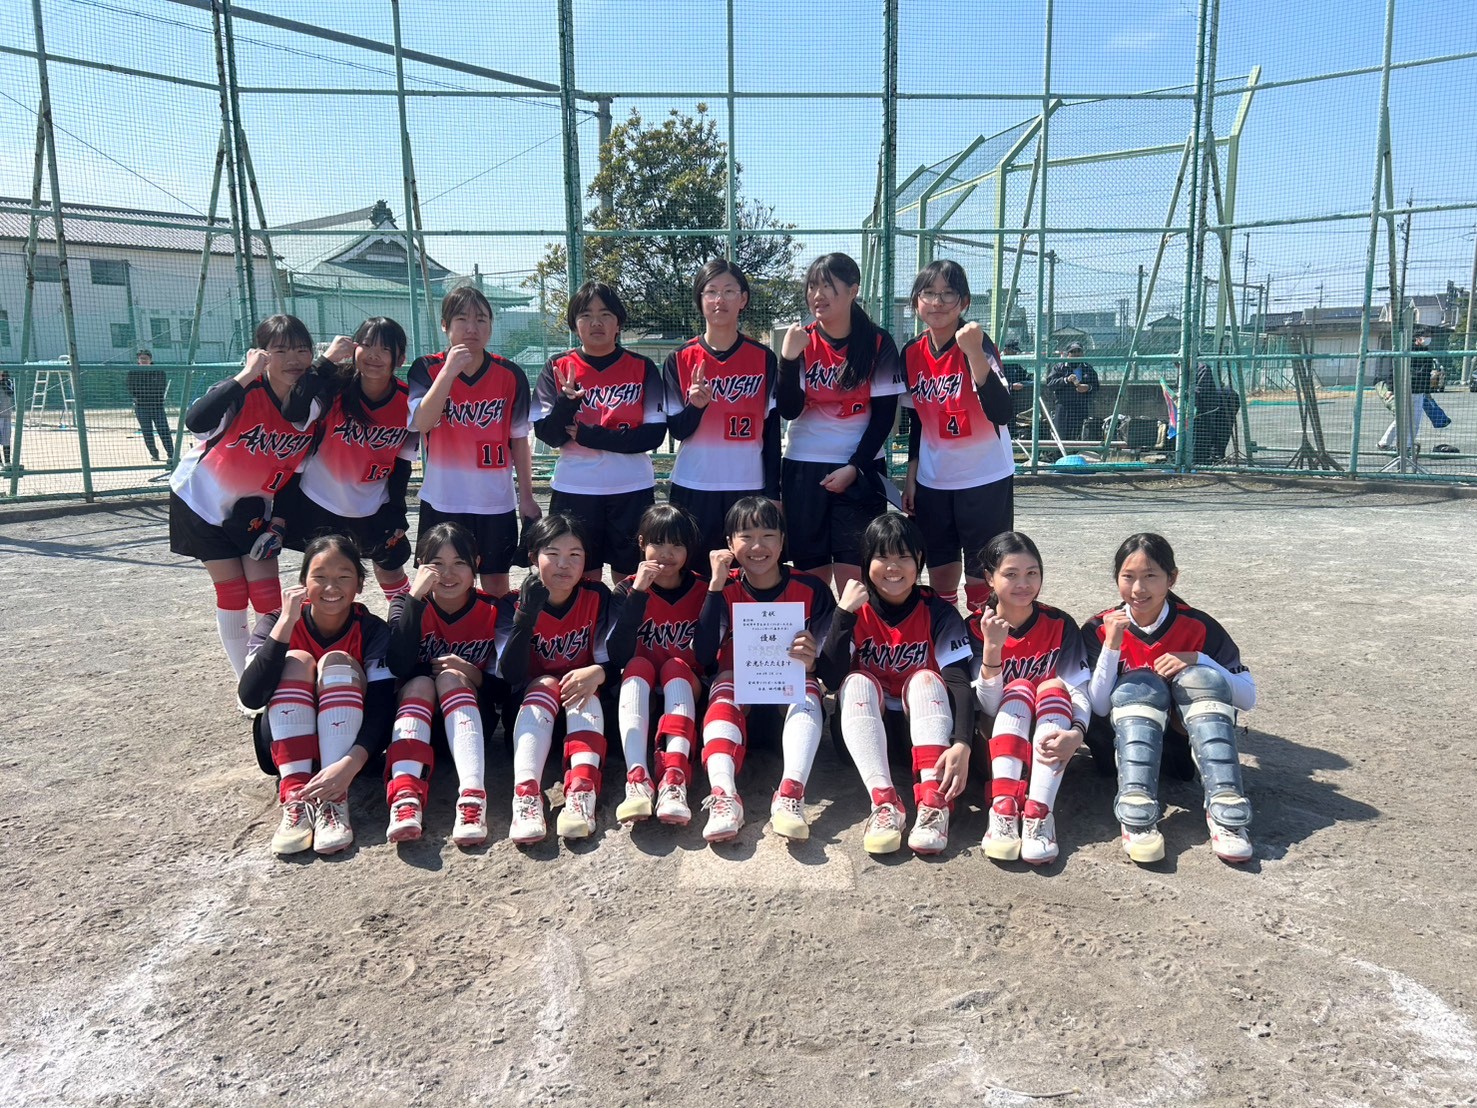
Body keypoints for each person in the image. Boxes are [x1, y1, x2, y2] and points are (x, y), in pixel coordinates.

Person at [1081, 533, 1257, 865]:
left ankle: (1226, 809)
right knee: (1140, 684)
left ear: (1171, 578)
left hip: (1177, 745)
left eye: (1150, 576)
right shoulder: (1100, 628)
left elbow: (1247, 697)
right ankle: (1136, 810)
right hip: (1118, 746)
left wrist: (1198, 659)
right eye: (1128, 577)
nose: (1138, 588)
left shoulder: (1197, 625)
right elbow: (1099, 706)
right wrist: (1112, 646)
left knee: (1201, 679)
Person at [168, 314, 326, 678]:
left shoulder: (312, 408)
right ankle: (247, 683)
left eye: (302, 350)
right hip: (200, 503)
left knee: (269, 595)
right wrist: (246, 374)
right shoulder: (243, 392)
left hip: (254, 510)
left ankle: (270, 672)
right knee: (233, 593)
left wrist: (278, 524)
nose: (293, 359)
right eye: (280, 350)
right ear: (261, 354)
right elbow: (196, 421)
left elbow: (293, 476)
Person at [817, 513, 973, 855]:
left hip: (924, 733)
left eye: (904, 556)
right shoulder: (854, 610)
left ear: (919, 561)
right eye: (882, 556)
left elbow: (959, 682)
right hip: (863, 737)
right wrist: (843, 614)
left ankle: (934, 802)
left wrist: (963, 742)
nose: (893, 567)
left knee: (925, 679)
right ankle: (884, 803)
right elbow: (830, 678)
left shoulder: (938, 611)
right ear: (865, 562)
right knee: (856, 680)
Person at [238, 534, 395, 857]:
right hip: (285, 747)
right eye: (319, 577)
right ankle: (295, 796)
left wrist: (351, 764)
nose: (331, 587)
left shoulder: (373, 630)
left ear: (360, 585)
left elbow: (382, 706)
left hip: (349, 751)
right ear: (302, 583)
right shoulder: (275, 622)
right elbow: (251, 697)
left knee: (336, 662)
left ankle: (333, 801)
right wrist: (285, 623)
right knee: (298, 660)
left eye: (343, 577)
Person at [693, 496, 835, 843]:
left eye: (768, 535)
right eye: (746, 536)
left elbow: (832, 673)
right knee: (725, 679)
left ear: (783, 541)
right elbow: (704, 655)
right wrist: (714, 587)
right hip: (735, 713)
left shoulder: (812, 589)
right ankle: (724, 795)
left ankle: (790, 793)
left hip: (788, 716)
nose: (758, 547)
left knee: (807, 684)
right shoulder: (722, 587)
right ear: (729, 543)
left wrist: (814, 661)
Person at [776, 252, 904, 589]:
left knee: (856, 578)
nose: (817, 295)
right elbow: (788, 410)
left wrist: (855, 467)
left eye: (828, 286)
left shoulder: (878, 342)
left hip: (861, 467)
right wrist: (787, 359)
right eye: (812, 286)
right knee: (811, 579)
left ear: (853, 290)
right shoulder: (801, 340)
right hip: (805, 467)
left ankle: (853, 628)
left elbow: (884, 418)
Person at [899, 260, 1015, 611]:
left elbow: (1002, 411)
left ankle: (981, 636)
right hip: (934, 479)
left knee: (983, 573)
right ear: (916, 301)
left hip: (984, 476)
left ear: (964, 302)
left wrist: (975, 353)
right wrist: (912, 475)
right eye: (928, 293)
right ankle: (949, 634)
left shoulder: (976, 342)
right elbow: (917, 420)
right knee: (941, 570)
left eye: (948, 294)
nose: (937, 302)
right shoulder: (911, 352)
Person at [408, 285, 539, 597]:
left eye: (481, 319)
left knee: (496, 585)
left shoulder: (510, 374)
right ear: (445, 325)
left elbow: (519, 440)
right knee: (440, 583)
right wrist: (449, 372)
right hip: (443, 499)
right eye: (462, 319)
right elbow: (421, 422)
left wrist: (527, 496)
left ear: (491, 326)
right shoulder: (426, 368)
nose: (472, 328)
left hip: (495, 500)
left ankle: (493, 632)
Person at [532, 281, 666, 582]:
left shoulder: (642, 367)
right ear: (574, 323)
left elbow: (653, 435)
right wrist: (566, 404)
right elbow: (548, 435)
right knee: (580, 574)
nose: (596, 323)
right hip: (576, 488)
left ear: (618, 322)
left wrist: (593, 437)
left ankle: (624, 616)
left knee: (630, 575)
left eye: (605, 314)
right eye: (586, 315)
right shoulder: (557, 366)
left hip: (631, 487)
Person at [971, 532, 1091, 865]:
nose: (1024, 584)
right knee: (1020, 689)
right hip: (996, 742)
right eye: (1011, 574)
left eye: (1032, 573)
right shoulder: (976, 627)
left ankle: (1040, 813)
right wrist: (992, 649)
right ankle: (1003, 808)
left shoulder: (1059, 623)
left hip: (1050, 738)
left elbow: (1078, 690)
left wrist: (1077, 733)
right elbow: (987, 706)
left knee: (1052, 687)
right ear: (989, 578)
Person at [497, 514, 618, 843]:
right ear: (533, 557)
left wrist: (599, 671)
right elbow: (510, 674)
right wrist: (525, 617)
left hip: (586, 713)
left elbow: (612, 661)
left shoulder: (597, 595)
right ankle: (526, 794)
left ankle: (582, 790)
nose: (564, 564)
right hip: (531, 719)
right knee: (547, 682)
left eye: (575, 555)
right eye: (553, 553)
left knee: (583, 682)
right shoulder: (511, 603)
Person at [384, 523, 505, 848]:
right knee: (421, 682)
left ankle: (472, 795)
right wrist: (415, 598)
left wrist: (471, 672)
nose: (448, 574)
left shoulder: (494, 609)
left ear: (476, 563)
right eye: (436, 564)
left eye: (459, 563)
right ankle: (405, 796)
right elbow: (398, 665)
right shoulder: (406, 604)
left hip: (471, 728)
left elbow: (504, 691)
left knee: (451, 676)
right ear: (420, 565)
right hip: (416, 726)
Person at [282, 318, 418, 604]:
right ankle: (312, 628)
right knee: (323, 576)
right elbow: (293, 411)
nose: (374, 355)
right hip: (320, 500)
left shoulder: (407, 402)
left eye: (385, 349)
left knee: (391, 570)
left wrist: (397, 511)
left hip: (372, 503)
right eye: (366, 345)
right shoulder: (334, 387)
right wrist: (326, 360)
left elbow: (402, 464)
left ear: (400, 359)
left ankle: (406, 625)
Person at [663, 260, 781, 557]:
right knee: (693, 569)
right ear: (700, 300)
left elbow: (771, 431)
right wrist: (696, 407)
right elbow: (677, 430)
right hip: (694, 483)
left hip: (748, 485)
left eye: (729, 291)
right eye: (712, 291)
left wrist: (772, 493)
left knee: (748, 569)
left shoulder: (763, 357)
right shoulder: (679, 359)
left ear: (743, 299)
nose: (720, 299)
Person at [605, 503, 708, 825]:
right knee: (637, 664)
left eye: (677, 544)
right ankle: (637, 778)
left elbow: (709, 656)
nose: (667, 554)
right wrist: (638, 593)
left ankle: (674, 777)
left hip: (688, 688)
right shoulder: (626, 589)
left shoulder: (702, 588)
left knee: (675, 665)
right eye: (658, 543)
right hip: (641, 692)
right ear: (641, 543)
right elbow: (617, 655)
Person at [1377, 335, 1435, 453]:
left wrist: (1427, 390)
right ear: (1417, 338)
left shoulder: (1427, 354)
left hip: (1418, 392)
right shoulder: (1407, 351)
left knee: (1414, 421)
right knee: (1402, 419)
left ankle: (1406, 445)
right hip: (1404, 390)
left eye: (1429, 336)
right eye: (1425, 336)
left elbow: (1426, 375)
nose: (1427, 339)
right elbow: (1394, 370)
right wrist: (1391, 389)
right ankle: (1386, 443)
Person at [126, 349, 174, 463]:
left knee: (163, 430)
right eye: (141, 358)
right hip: (141, 406)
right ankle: (154, 454)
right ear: (138, 360)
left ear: (150, 360)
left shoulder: (158, 371)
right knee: (147, 431)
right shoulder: (133, 372)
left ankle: (172, 454)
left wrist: (150, 393)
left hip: (157, 406)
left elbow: (160, 387)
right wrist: (140, 395)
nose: (143, 361)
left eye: (146, 358)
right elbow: (131, 387)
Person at [1045, 341, 1099, 440]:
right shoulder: (1059, 367)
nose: (1076, 354)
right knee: (1061, 434)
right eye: (1073, 352)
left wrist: (1087, 387)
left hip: (1081, 406)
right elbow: (1050, 384)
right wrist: (1066, 380)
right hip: (1063, 406)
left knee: (1080, 434)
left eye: (1078, 351)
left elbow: (1096, 386)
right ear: (1068, 354)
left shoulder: (1088, 368)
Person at [999, 340, 1031, 425]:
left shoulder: (1013, 362)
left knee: (1012, 421)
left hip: (1012, 398)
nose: (1015, 353)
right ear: (1006, 350)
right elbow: (995, 382)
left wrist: (1030, 378)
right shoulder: (998, 362)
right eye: (1013, 351)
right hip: (1000, 397)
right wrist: (1011, 386)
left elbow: (1022, 375)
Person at [0, 368, 14, 468]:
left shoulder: (8, 381)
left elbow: (10, 392)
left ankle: (8, 461)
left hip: (6, 415)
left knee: (6, 439)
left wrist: (2, 382)